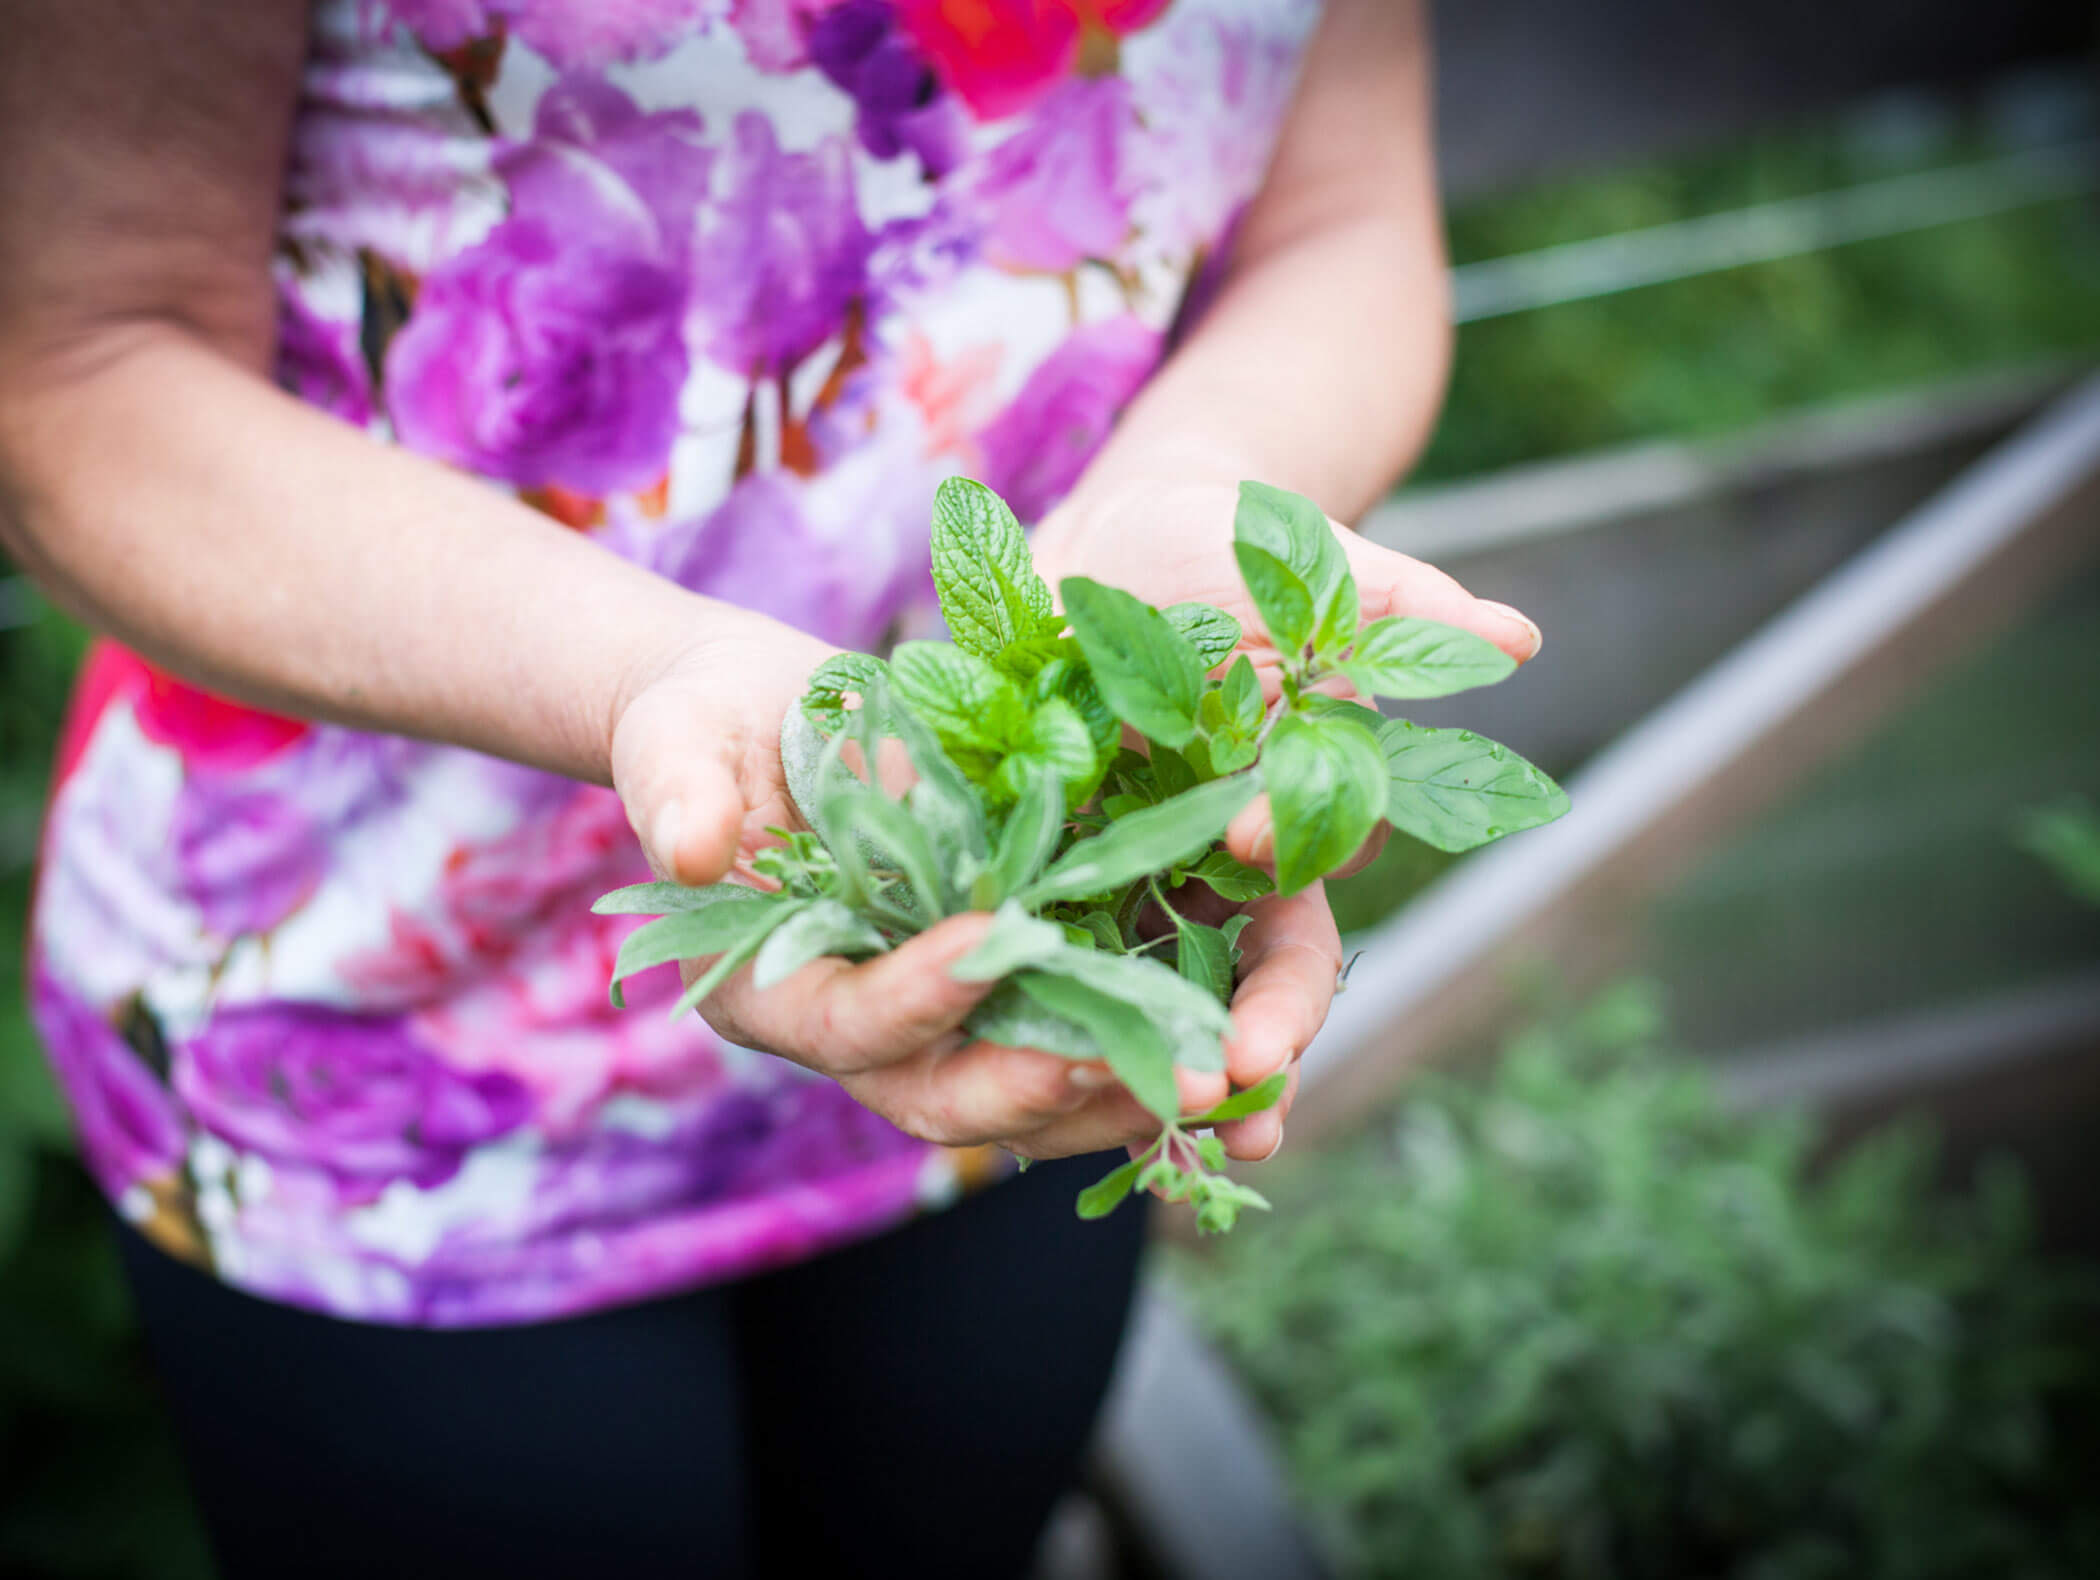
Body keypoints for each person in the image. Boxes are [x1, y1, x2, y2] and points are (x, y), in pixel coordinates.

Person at [0, 1, 1539, 1574]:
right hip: (372, 1029)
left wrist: (1183, 495)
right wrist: (648, 675)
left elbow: (1341, 223)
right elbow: (81, 366)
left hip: (1005, 936)